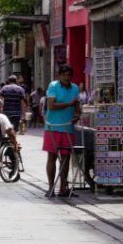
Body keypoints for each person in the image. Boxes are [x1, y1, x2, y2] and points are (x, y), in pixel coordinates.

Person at [43, 64, 81, 198]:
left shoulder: (75, 88)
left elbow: (77, 105)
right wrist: (70, 104)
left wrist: (77, 114)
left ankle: (63, 187)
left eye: (69, 75)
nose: (66, 77)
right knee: (52, 157)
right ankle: (50, 187)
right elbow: (51, 106)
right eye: (64, 75)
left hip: (68, 127)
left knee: (66, 158)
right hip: (52, 127)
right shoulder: (53, 86)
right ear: (59, 76)